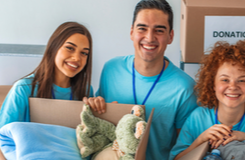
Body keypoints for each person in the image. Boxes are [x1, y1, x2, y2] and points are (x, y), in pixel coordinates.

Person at [83, 0, 198, 159]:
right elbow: (100, 124)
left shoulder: (185, 88)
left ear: (170, 36)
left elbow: (185, 150)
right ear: (131, 32)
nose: (150, 38)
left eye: (159, 30)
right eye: (142, 28)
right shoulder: (111, 70)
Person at [0, 22, 94, 159]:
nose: (76, 58)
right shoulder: (24, 89)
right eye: (69, 48)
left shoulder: (86, 91)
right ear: (53, 48)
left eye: (84, 53)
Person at [170, 40, 245, 160]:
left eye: (241, 80)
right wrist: (200, 140)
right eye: (225, 80)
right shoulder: (197, 118)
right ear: (213, 84)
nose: (233, 87)